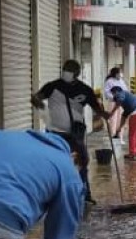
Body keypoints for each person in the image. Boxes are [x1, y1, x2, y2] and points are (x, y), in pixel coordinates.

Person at [32, 59, 108, 205]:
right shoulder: (53, 86)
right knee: (55, 162)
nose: (66, 72)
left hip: (76, 132)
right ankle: (52, 194)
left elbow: (96, 108)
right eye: (65, 69)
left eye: (69, 70)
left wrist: (105, 115)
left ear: (77, 73)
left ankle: (85, 193)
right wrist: (44, 111)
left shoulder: (85, 89)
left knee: (83, 160)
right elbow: (36, 98)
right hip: (55, 132)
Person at [110, 87, 136, 161]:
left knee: (132, 135)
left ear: (116, 91)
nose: (113, 96)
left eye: (113, 94)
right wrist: (119, 129)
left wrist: (112, 112)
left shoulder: (122, 93)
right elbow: (123, 117)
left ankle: (133, 154)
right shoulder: (128, 104)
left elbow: (120, 98)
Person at [104, 67, 129, 144]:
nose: (120, 74)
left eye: (121, 73)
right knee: (113, 120)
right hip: (113, 102)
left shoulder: (121, 81)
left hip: (121, 103)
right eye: (119, 73)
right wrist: (114, 97)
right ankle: (113, 137)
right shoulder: (109, 81)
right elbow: (106, 92)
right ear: (115, 73)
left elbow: (125, 90)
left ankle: (120, 138)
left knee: (120, 120)